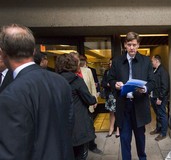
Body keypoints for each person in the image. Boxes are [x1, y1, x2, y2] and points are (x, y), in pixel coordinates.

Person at [0, 24, 74, 160]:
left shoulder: (11, 94)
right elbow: (68, 127)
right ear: (34, 51)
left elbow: (13, 151)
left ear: (3, 53)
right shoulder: (60, 81)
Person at [108, 31, 155, 160]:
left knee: (140, 139)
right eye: (129, 45)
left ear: (138, 45)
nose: (132, 48)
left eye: (134, 44)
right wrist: (115, 84)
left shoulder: (146, 61)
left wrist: (145, 88)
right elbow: (110, 79)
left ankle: (142, 158)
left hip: (139, 105)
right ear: (125, 45)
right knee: (124, 138)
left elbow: (152, 82)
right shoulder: (117, 61)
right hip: (124, 106)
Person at [55, 53, 97, 160]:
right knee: (81, 155)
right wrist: (94, 99)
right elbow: (89, 99)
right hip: (78, 125)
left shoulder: (54, 80)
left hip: (60, 125)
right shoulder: (76, 80)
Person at [71, 52, 102, 154]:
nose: (76, 61)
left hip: (88, 103)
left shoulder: (87, 71)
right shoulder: (69, 73)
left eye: (77, 59)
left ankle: (92, 145)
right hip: (77, 106)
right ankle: (80, 148)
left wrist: (95, 99)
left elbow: (92, 85)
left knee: (90, 125)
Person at [150, 54, 170, 141]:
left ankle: (163, 133)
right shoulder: (156, 70)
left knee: (162, 115)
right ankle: (158, 129)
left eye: (152, 61)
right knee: (158, 115)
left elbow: (165, 86)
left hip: (159, 98)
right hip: (154, 96)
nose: (152, 63)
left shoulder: (163, 71)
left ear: (157, 61)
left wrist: (160, 98)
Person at [101, 58, 120, 138]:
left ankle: (118, 130)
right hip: (110, 95)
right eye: (110, 63)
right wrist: (109, 84)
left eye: (112, 63)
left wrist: (114, 84)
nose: (110, 64)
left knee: (118, 113)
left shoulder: (119, 72)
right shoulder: (107, 72)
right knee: (111, 113)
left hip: (118, 95)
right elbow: (102, 83)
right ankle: (111, 129)